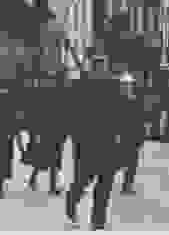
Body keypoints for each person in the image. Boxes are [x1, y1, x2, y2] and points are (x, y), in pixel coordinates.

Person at [65, 73, 143, 231]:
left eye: (129, 86)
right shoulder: (108, 102)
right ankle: (71, 201)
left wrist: (133, 145)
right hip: (95, 149)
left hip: (113, 153)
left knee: (104, 187)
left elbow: (136, 129)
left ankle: (98, 221)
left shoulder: (133, 104)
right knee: (83, 181)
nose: (127, 89)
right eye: (124, 86)